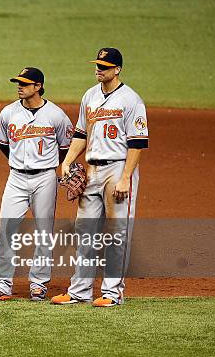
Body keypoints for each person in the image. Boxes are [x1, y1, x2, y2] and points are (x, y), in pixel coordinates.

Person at [51, 47, 149, 307]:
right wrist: (68, 161)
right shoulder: (90, 96)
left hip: (118, 168)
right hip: (92, 169)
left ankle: (112, 293)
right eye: (97, 65)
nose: (99, 69)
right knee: (85, 232)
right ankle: (80, 290)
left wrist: (126, 177)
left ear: (117, 69)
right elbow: (81, 133)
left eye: (104, 66)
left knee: (117, 233)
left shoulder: (131, 100)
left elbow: (137, 143)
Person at [0, 67, 73, 301]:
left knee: (43, 232)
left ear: (38, 86)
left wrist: (47, 166)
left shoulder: (56, 115)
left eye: (24, 83)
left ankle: (38, 284)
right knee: (7, 230)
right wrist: (18, 161)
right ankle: (2, 285)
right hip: (16, 178)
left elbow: (65, 147)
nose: (19, 86)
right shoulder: (8, 113)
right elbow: (3, 144)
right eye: (18, 82)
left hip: (45, 179)